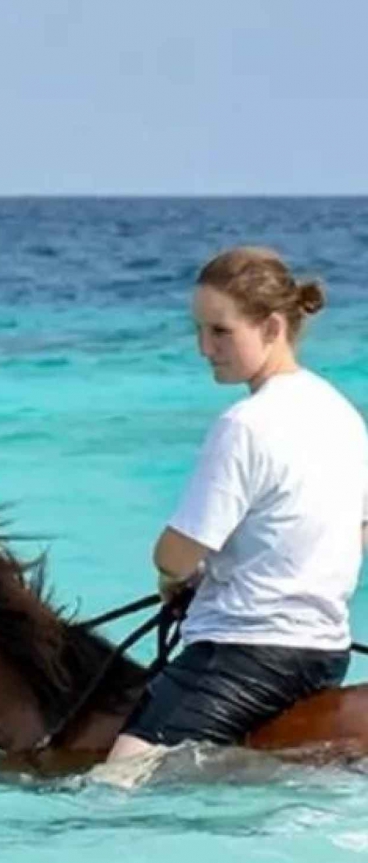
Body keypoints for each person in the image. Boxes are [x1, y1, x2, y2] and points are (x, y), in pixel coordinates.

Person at [108, 247, 368, 762]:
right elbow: (354, 534)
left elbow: (174, 555)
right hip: (324, 654)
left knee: (114, 781)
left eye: (221, 332)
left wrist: (176, 577)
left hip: (241, 654)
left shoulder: (244, 425)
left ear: (272, 327)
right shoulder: (342, 415)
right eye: (198, 330)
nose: (205, 347)